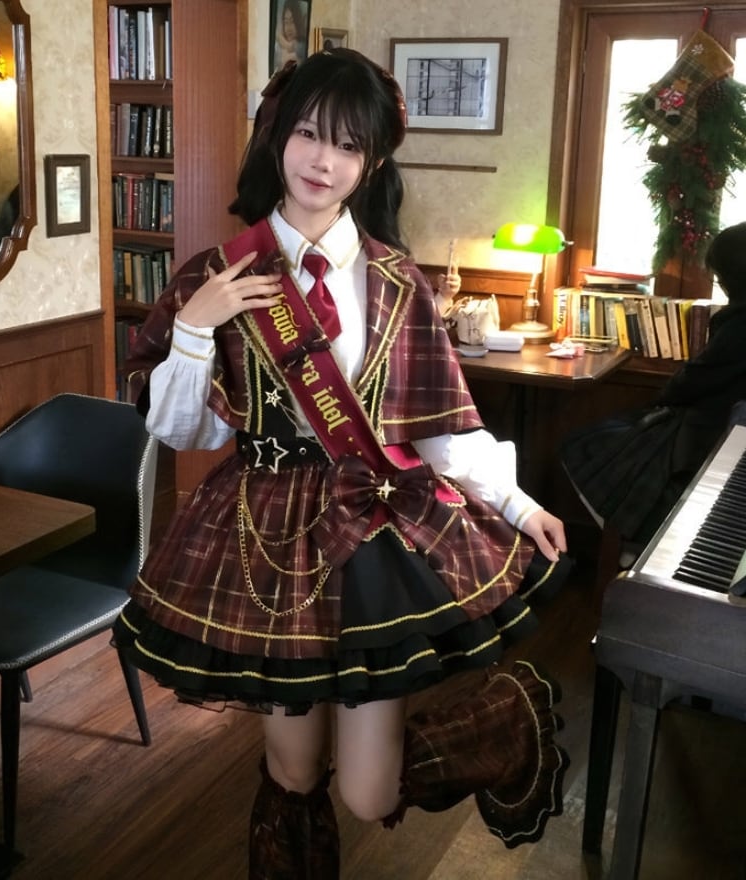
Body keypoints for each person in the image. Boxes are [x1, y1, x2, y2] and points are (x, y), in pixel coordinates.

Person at [114, 48, 572, 879]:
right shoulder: (215, 275)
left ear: (374, 162)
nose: (323, 160)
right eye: (309, 134)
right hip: (262, 539)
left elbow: (441, 426)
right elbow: (184, 434)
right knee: (292, 776)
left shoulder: (398, 282)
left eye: (349, 145)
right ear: (277, 136)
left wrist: (516, 505)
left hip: (373, 529)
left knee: (367, 792)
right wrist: (194, 327)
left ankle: (505, 720)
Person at [561, 221, 746, 555]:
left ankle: (632, 541)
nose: (719, 284)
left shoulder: (739, 324)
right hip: (719, 428)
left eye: (720, 277)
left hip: (707, 435)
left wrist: (662, 398)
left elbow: (693, 381)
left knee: (586, 445)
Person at [273, 0, 307, 71]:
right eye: (286, 22)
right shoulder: (277, 47)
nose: (289, 28)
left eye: (292, 22)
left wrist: (283, 42)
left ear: (298, 22)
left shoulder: (303, 45)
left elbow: (293, 47)